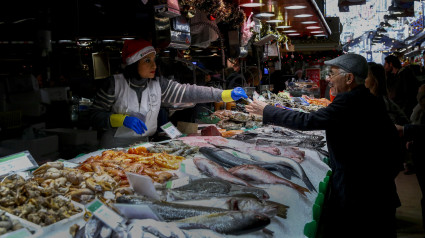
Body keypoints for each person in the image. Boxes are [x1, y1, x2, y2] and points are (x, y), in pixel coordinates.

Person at [246, 53, 403, 238]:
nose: (328, 79)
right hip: (376, 190)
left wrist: (267, 110)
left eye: (333, 74)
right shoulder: (367, 99)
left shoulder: (350, 102)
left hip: (362, 195)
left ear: (349, 78)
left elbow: (307, 120)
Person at [89, 39, 247, 148]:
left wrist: (224, 94)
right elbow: (93, 116)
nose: (154, 65)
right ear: (133, 63)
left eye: (154, 60)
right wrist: (120, 120)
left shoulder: (158, 84)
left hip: (143, 145)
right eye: (147, 61)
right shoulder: (114, 84)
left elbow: (188, 92)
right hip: (112, 147)